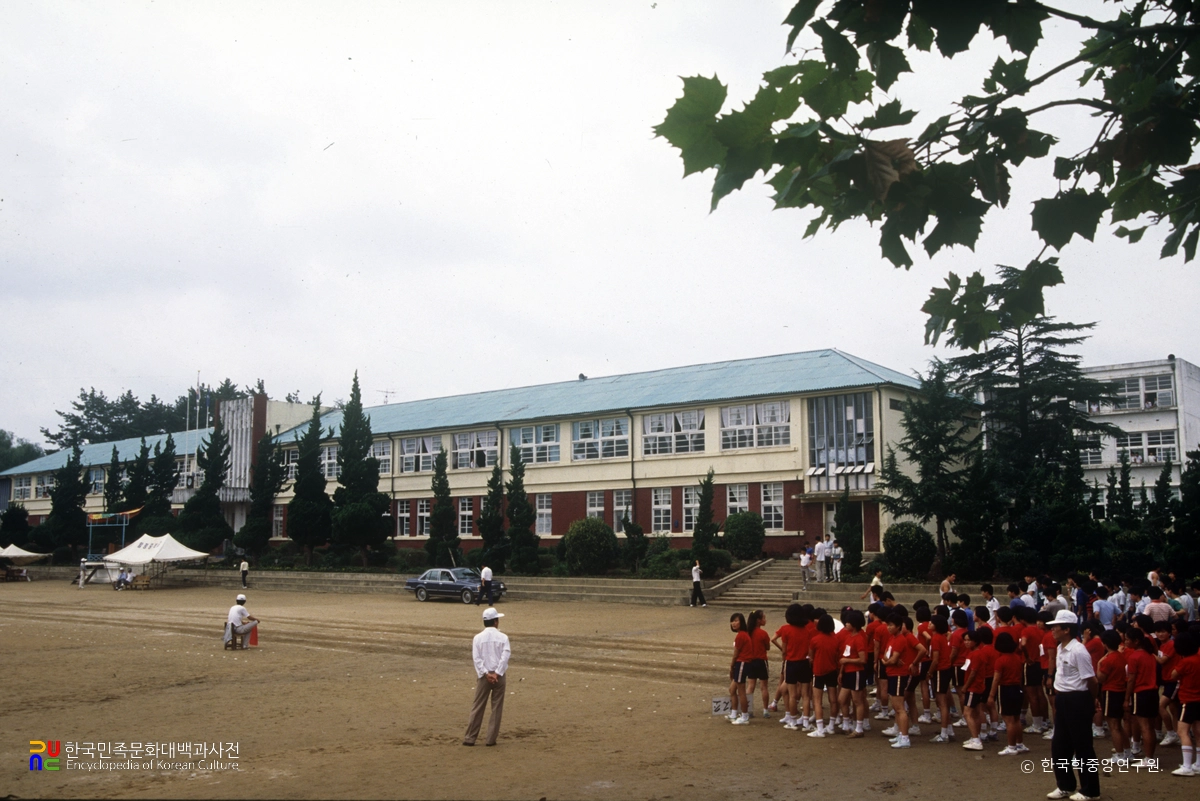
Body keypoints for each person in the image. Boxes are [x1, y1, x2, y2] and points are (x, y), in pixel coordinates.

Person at [1047, 610, 1100, 801]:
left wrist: (1092, 699)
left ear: (1067, 629)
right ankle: (1066, 785)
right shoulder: (1061, 647)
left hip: (1078, 698)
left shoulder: (1078, 651)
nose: (1053, 630)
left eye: (1056, 627)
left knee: (1083, 746)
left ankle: (1090, 789)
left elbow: (1091, 680)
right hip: (1063, 698)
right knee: (1060, 745)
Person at [463, 607, 510, 746]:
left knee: (478, 706)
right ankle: (490, 739)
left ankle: (470, 737)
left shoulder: (477, 638)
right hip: (499, 676)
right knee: (496, 707)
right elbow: (505, 656)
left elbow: (477, 659)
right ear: (495, 622)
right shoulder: (503, 637)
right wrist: (497, 673)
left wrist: (485, 673)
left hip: (484, 676)